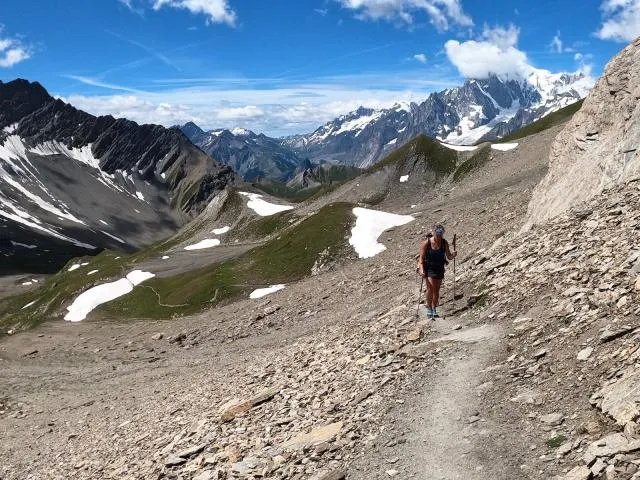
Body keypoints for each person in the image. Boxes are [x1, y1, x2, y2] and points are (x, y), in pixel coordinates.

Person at [418, 224, 456, 319]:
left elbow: (449, 257)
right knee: (430, 288)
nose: (439, 236)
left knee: (436, 290)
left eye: (441, 234)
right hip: (429, 268)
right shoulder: (426, 243)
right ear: (433, 233)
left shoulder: (444, 243)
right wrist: (422, 270)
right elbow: (421, 259)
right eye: (437, 233)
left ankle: (434, 308)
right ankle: (429, 308)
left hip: (439, 268)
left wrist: (453, 255)